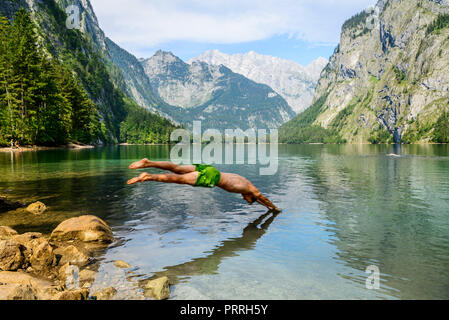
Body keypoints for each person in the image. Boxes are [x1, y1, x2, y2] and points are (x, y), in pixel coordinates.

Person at [127, 159, 281, 212]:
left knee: (177, 168)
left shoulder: (245, 182)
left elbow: (260, 200)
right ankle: (148, 177)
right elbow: (262, 198)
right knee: (178, 179)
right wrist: (274, 208)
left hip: (211, 169)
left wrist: (266, 207)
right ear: (250, 196)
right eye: (247, 200)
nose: (244, 199)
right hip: (211, 178)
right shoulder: (251, 190)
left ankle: (148, 163)